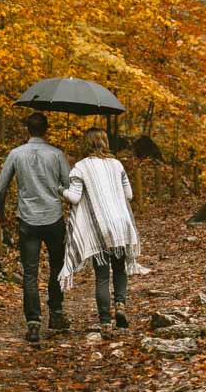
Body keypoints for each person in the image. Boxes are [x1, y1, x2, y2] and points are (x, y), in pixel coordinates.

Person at [0, 112, 72, 343]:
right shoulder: (57, 154)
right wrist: (56, 188)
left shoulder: (16, 154)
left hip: (27, 220)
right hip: (53, 218)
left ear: (28, 130)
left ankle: (33, 321)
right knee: (57, 265)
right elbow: (68, 188)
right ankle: (56, 314)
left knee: (30, 271)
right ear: (46, 130)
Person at [58, 127, 144, 337]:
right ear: (105, 142)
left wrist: (60, 189)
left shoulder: (80, 167)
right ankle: (121, 305)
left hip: (100, 227)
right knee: (121, 269)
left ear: (85, 144)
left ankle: (105, 322)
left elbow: (74, 198)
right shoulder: (117, 164)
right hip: (121, 224)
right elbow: (129, 195)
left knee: (102, 276)